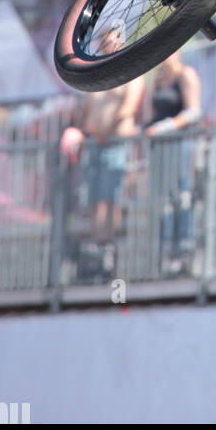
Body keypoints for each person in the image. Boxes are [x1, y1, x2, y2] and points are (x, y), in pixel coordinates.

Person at [77, 29, 144, 278]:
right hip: (97, 144)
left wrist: (105, 130)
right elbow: (86, 111)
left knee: (110, 198)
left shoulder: (130, 72)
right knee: (95, 199)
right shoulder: (97, 75)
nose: (105, 45)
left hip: (115, 143)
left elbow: (128, 108)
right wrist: (91, 131)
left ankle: (108, 246)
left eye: (110, 40)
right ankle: (96, 246)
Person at [143, 50, 202, 276]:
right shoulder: (158, 80)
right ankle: (166, 253)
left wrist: (164, 127)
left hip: (180, 145)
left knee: (182, 197)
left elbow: (193, 112)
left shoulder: (186, 75)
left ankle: (184, 251)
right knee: (165, 200)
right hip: (161, 148)